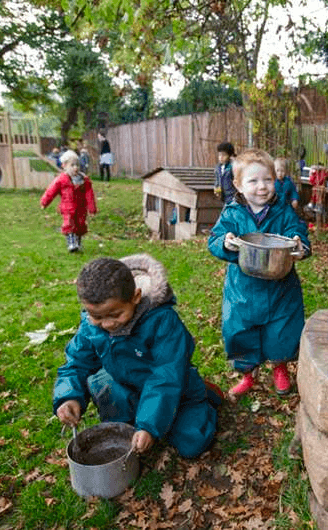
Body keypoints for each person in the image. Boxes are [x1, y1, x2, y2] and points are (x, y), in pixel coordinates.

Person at [53, 254, 222, 459]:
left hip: (174, 388)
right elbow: (76, 362)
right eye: (97, 316)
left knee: (191, 443)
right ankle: (141, 413)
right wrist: (68, 396)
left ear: (135, 297)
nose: (107, 324)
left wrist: (148, 425)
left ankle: (203, 398)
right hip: (126, 385)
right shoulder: (91, 327)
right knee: (103, 390)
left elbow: (166, 375)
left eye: (115, 315)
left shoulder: (163, 321)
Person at [207, 148, 311, 398]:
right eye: (253, 181)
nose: (262, 187)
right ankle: (247, 374)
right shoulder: (232, 212)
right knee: (241, 330)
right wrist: (225, 241)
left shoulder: (283, 211)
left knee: (282, 329)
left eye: (268, 179)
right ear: (238, 185)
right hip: (243, 288)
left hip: (280, 287)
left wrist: (299, 244)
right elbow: (214, 239)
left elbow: (298, 232)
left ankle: (280, 367)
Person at [40, 149, 97, 252]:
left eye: (77, 165)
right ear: (64, 166)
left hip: (81, 208)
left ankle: (78, 243)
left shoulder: (84, 180)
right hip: (67, 208)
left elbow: (89, 194)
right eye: (72, 165)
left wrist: (92, 209)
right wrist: (45, 202)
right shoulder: (61, 180)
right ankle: (71, 243)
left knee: (80, 225)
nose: (76, 168)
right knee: (69, 224)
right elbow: (51, 191)